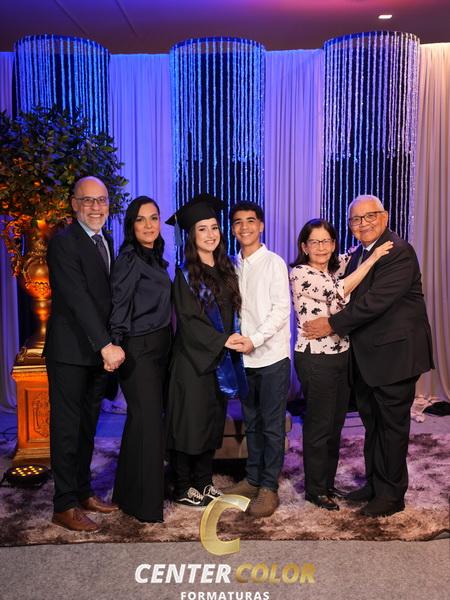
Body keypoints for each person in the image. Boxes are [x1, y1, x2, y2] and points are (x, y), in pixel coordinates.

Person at [303, 195, 434, 517]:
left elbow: (374, 302)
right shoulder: (360, 254)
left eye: (369, 216)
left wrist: (331, 324)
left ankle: (391, 496)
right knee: (374, 425)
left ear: (384, 217)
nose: (363, 224)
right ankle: (375, 484)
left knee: (391, 428)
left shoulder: (398, 251)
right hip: (369, 358)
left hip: (395, 357)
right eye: (356, 219)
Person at [290, 218, 392, 511]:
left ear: (333, 244)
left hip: (342, 354)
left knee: (335, 425)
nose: (321, 247)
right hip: (315, 357)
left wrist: (369, 242)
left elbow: (354, 253)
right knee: (319, 424)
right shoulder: (300, 273)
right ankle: (315, 489)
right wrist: (372, 259)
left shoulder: (334, 267)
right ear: (304, 247)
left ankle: (327, 483)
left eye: (326, 241)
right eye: (314, 242)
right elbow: (340, 289)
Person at [45, 176, 125, 532]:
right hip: (70, 351)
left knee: (87, 428)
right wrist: (106, 344)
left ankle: (82, 491)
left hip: (95, 353)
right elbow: (77, 298)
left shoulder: (105, 240)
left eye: (101, 200)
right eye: (88, 200)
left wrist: (109, 342)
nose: (96, 207)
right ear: (74, 204)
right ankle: (63, 505)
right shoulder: (63, 242)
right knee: (67, 429)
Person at [165, 194, 248, 507]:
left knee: (212, 421)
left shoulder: (227, 269)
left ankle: (204, 481)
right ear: (191, 235)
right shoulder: (185, 274)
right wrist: (222, 341)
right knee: (190, 424)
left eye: (214, 227)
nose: (211, 234)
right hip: (192, 361)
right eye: (202, 229)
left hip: (218, 360)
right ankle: (183, 485)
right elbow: (188, 322)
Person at [224, 201, 291, 518]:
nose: (245, 227)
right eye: (238, 222)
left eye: (251, 221)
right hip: (243, 359)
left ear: (261, 225)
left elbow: (281, 310)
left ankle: (269, 487)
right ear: (232, 229)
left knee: (272, 426)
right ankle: (252, 478)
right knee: (251, 423)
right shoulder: (231, 266)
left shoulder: (274, 263)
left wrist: (255, 339)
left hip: (272, 357)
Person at [109, 196, 172, 522]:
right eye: (141, 219)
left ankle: (126, 494)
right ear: (131, 226)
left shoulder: (156, 258)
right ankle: (147, 507)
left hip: (160, 348)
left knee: (141, 422)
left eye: (154, 218)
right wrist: (115, 346)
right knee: (148, 424)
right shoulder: (130, 259)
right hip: (138, 351)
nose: (149, 225)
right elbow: (119, 306)